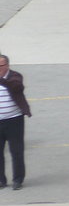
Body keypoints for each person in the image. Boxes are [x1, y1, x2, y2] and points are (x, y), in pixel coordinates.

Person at [0, 55, 32, 191]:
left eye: (0, 66)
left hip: (14, 120)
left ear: (7, 66)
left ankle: (18, 179)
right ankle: (1, 180)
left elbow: (17, 87)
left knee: (16, 151)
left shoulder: (15, 77)